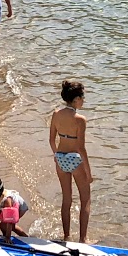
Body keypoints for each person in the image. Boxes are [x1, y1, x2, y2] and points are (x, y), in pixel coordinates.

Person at [49, 80, 91, 242]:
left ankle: (66, 236)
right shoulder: (80, 119)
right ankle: (83, 239)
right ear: (75, 99)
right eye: (82, 97)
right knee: (85, 199)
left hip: (61, 158)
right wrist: (88, 172)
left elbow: (51, 140)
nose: (83, 100)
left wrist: (56, 156)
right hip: (75, 159)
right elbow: (81, 148)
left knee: (66, 199)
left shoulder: (56, 114)